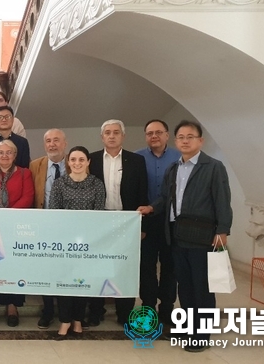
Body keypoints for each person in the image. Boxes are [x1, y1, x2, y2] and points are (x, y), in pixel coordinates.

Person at [138, 120, 232, 353]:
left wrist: (223, 231)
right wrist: (151, 208)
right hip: (177, 236)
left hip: (203, 236)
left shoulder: (213, 167)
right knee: (185, 288)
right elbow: (164, 198)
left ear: (200, 141)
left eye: (190, 137)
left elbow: (222, 201)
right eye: (181, 137)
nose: (185, 140)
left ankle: (201, 336)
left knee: (202, 288)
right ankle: (189, 328)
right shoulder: (174, 168)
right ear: (176, 140)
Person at [87, 119, 148, 326]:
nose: (111, 136)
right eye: (107, 133)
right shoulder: (92, 160)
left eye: (116, 132)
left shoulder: (137, 160)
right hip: (99, 221)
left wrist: (141, 226)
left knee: (125, 269)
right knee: (98, 268)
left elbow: (143, 193)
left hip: (127, 222)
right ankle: (96, 311)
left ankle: (124, 314)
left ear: (123, 136)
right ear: (102, 136)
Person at [49, 146, 106, 339]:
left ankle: (78, 321)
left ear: (88, 162)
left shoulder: (97, 184)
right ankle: (65, 321)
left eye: (81, 160)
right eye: (73, 160)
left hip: (88, 243)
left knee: (82, 283)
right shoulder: (59, 183)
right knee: (65, 282)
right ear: (68, 162)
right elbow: (54, 212)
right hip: (64, 242)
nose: (77, 163)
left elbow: (99, 213)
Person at [0, 139, 34, 327]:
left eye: (9, 152)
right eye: (1, 152)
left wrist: (8, 216)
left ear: (15, 155)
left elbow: (28, 197)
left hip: (15, 226)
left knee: (14, 265)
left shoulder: (25, 173)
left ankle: (13, 305)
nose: (5, 156)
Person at [134, 119, 181, 325]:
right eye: (150, 133)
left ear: (167, 135)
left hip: (172, 220)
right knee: (147, 266)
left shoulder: (179, 157)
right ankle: (148, 306)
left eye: (158, 132)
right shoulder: (136, 157)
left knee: (171, 266)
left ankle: (167, 307)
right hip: (146, 219)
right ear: (145, 136)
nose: (154, 136)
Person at [29, 129, 67, 329]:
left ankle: (67, 311)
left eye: (56, 141)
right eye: (48, 141)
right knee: (46, 269)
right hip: (43, 223)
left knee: (67, 268)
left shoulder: (76, 162)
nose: (52, 145)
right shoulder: (36, 165)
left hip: (68, 226)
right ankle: (48, 310)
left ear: (65, 143)